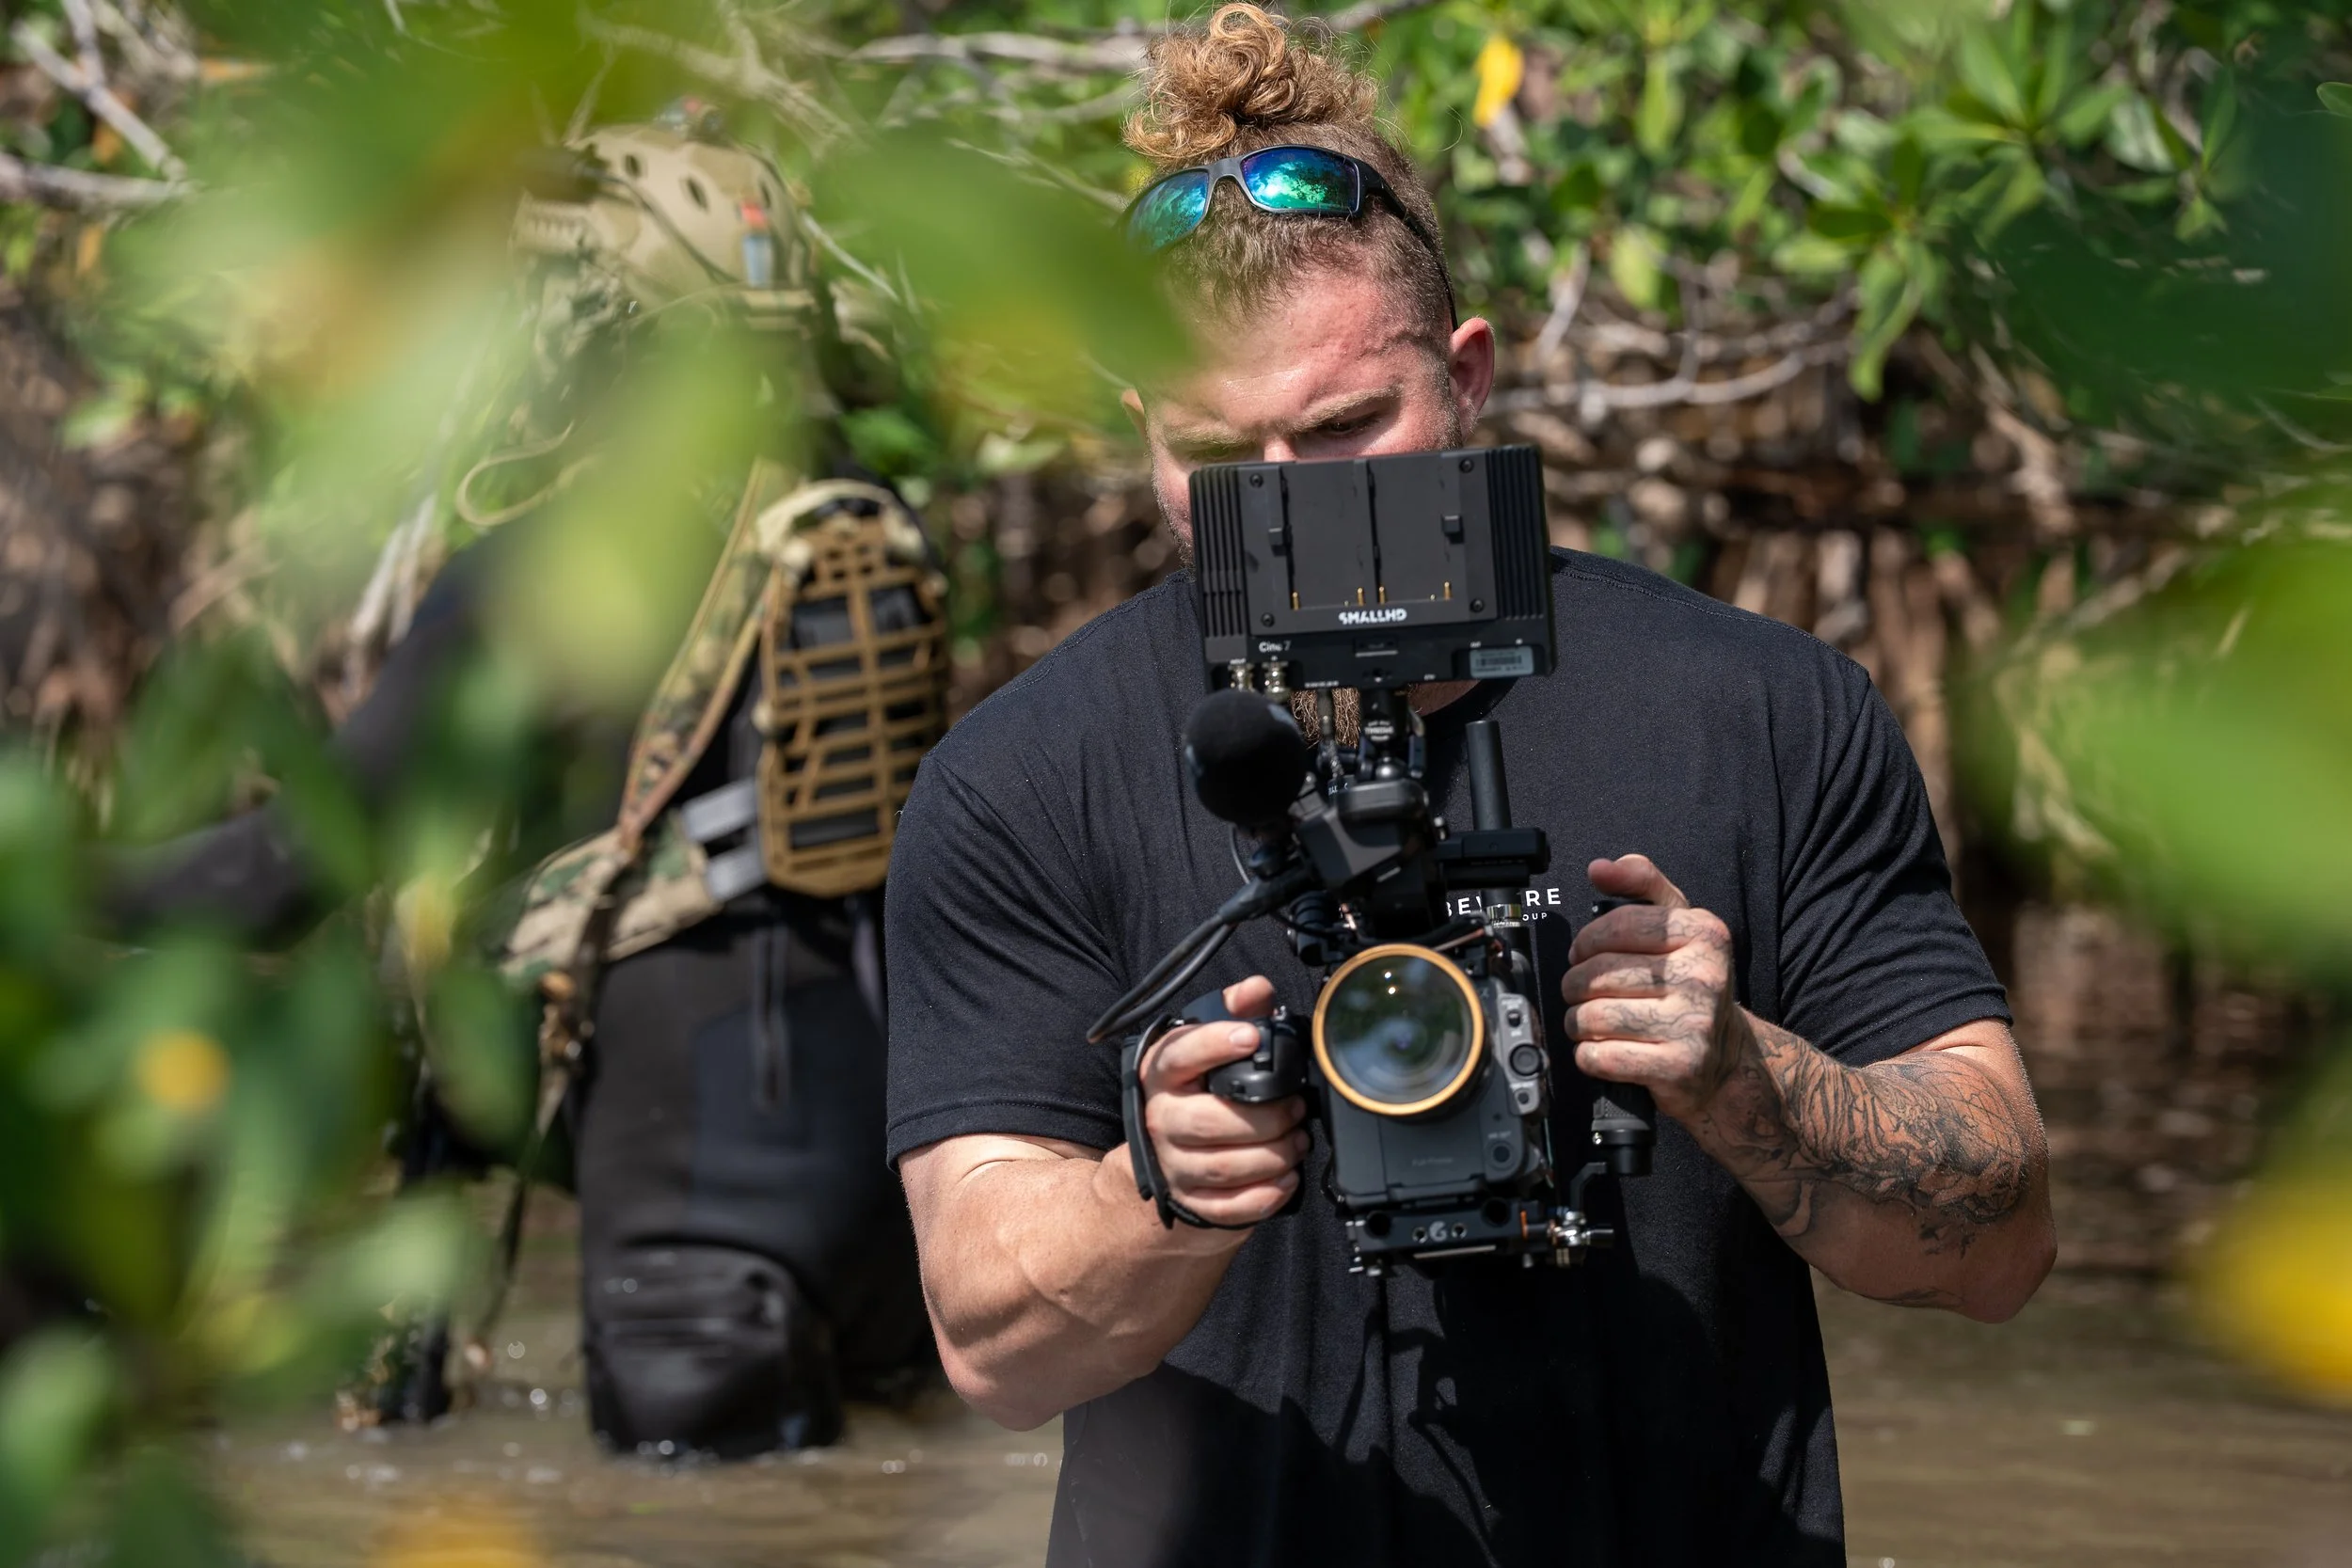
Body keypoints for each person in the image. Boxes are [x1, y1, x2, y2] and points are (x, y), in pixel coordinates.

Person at [883, 8, 2057, 1565]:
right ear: (1139, 439)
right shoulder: (1023, 772)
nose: (1291, 503)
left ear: (1469, 377)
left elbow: (2001, 1243)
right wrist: (1157, 1190)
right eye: (1218, 453)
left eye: (1350, 425)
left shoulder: (1762, 710)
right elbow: (989, 1341)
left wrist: (1746, 1081)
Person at [104, 109, 938, 1456]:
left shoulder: (557, 568)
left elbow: (280, 876)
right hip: (898, 1212)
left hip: (691, 1249)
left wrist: (52, 884)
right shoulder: (860, 519)